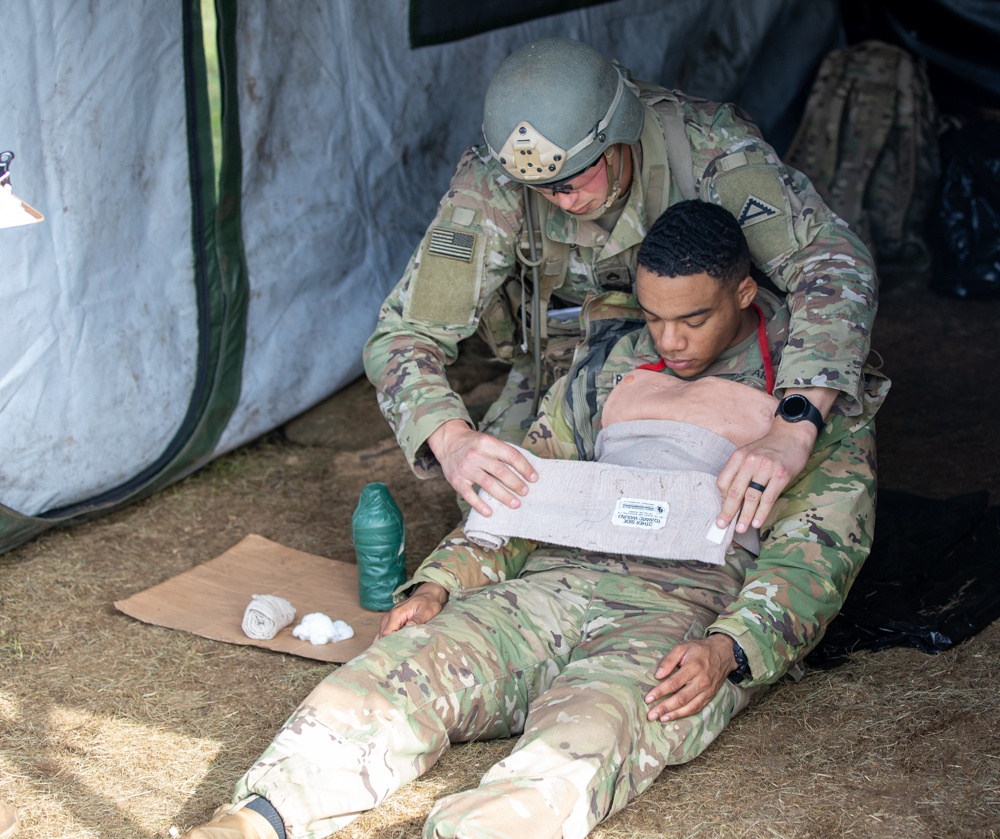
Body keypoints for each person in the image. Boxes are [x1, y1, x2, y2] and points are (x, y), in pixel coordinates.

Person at [183, 201, 889, 839]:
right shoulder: (612, 366)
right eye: (653, 316)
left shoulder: (807, 394)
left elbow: (817, 551)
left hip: (681, 611)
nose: (669, 340)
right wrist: (441, 582)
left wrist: (732, 648)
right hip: (553, 582)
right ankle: (258, 818)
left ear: (742, 293)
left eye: (693, 318)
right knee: (402, 667)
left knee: (589, 737)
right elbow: (521, 489)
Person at [363, 37, 879, 540]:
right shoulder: (496, 185)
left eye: (575, 180)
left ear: (619, 137)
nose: (561, 202)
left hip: (720, 356)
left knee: (777, 505)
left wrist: (793, 422)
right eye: (544, 188)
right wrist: (451, 440)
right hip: (569, 369)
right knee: (499, 508)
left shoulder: (704, 147)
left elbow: (833, 266)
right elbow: (404, 334)